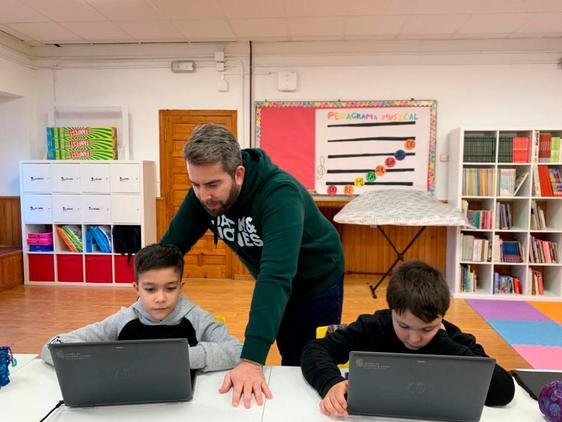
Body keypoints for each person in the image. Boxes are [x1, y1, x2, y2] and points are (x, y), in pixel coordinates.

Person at [161, 123, 344, 408]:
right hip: (274, 279)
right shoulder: (204, 193)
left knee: (303, 362)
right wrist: (144, 299)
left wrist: (251, 359)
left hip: (316, 280)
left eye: (212, 185)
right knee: (285, 346)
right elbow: (170, 249)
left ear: (239, 173)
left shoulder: (280, 194)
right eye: (195, 184)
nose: (203, 196)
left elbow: (275, 276)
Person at [301, 260, 515, 418]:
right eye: (403, 326)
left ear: (442, 318)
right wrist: (331, 383)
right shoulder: (376, 326)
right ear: (392, 310)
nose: (414, 338)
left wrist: (442, 340)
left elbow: (504, 391)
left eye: (427, 328)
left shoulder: (451, 337)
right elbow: (315, 349)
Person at [41, 243, 241, 373]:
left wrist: (182, 357)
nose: (161, 298)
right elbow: (53, 347)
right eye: (150, 289)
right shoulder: (124, 319)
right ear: (137, 288)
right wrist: (99, 359)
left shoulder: (197, 318)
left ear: (181, 287)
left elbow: (237, 351)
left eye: (170, 288)